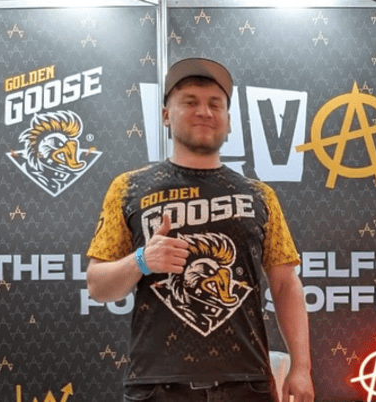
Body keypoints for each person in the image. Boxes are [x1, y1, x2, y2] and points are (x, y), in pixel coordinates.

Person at [85, 57, 314, 402]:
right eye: (190, 102)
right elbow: (98, 286)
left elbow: (285, 285)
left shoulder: (260, 195)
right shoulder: (128, 188)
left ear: (228, 121)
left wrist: (302, 367)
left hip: (247, 383)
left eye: (215, 104)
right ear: (166, 114)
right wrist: (141, 260)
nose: (204, 112)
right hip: (157, 386)